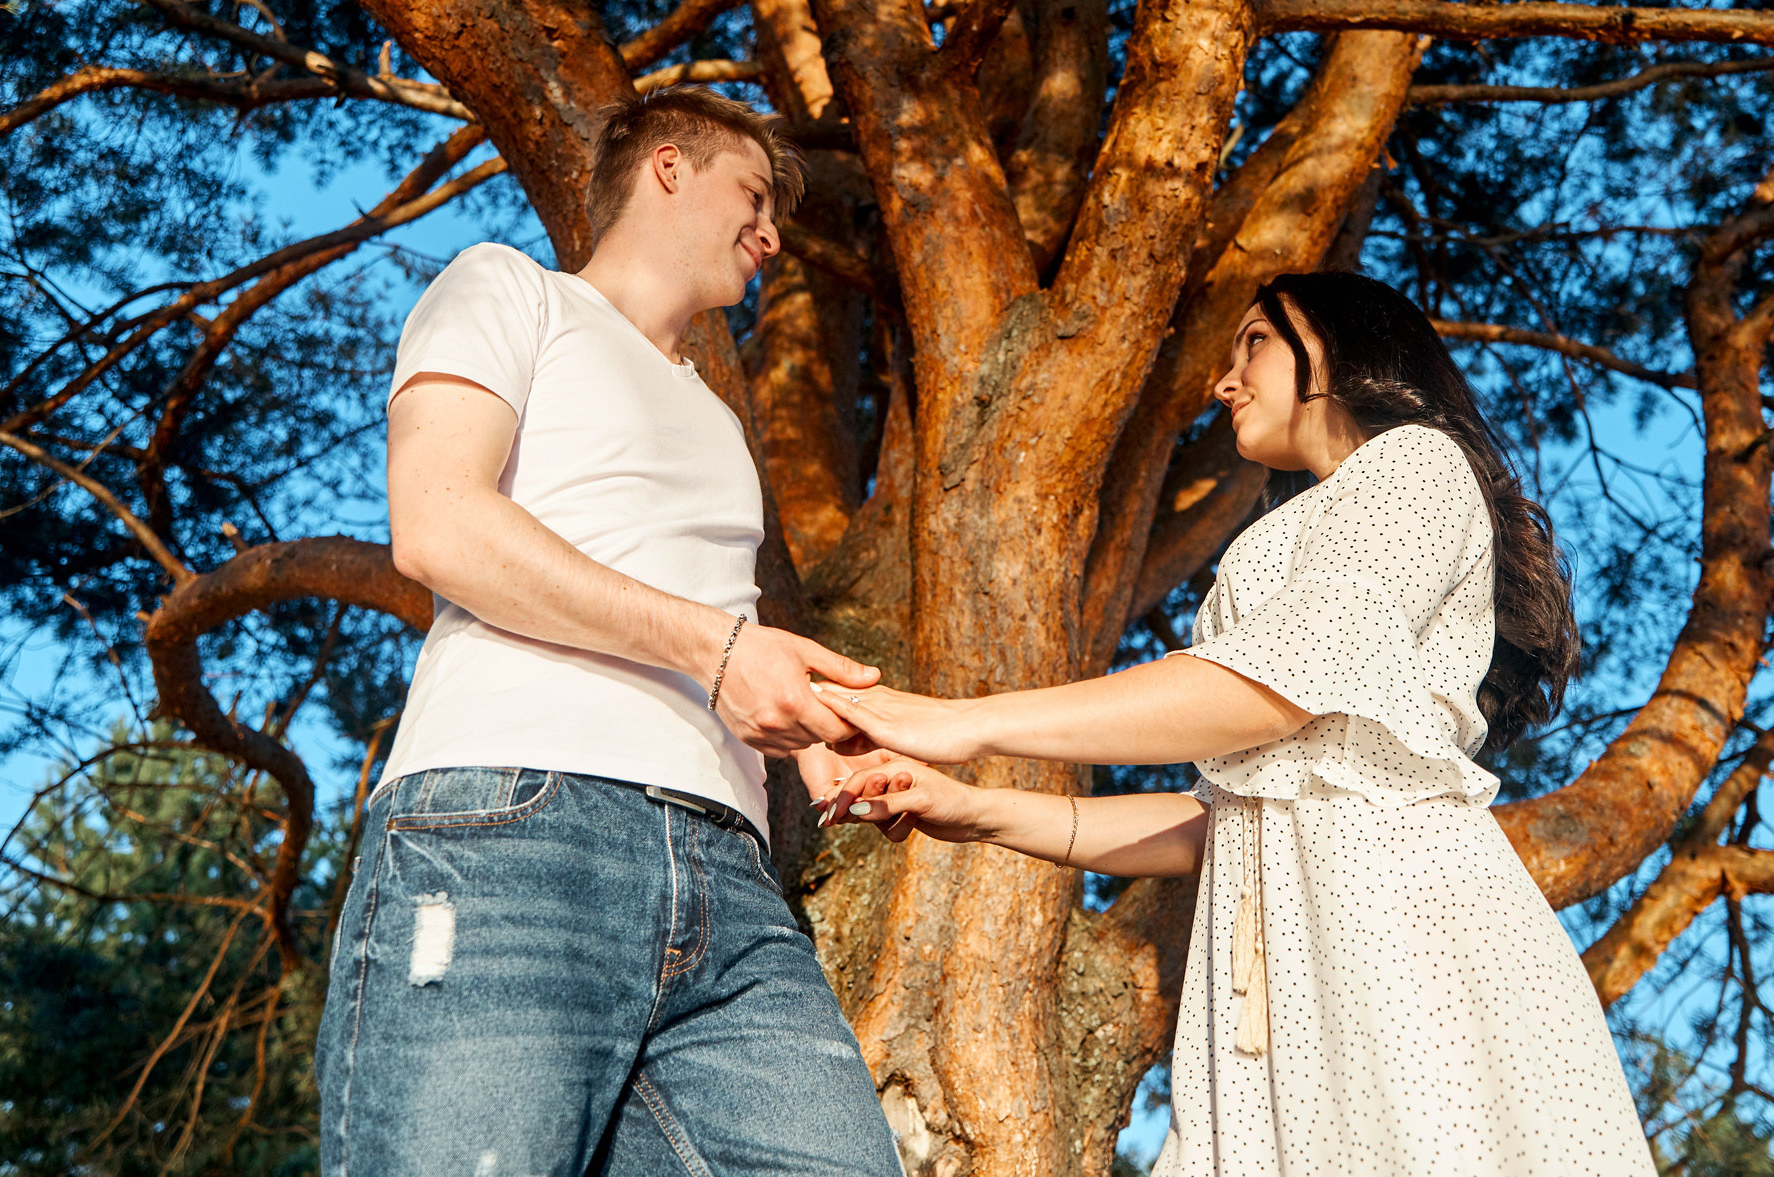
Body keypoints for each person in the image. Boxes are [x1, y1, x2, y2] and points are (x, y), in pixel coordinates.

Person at [813, 272, 1657, 1176]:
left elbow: (1277, 681)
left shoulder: (1415, 461)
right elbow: (1224, 815)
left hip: (1396, 947)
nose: (1224, 381)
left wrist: (962, 723)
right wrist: (972, 806)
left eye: (1255, 340)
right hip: (1272, 983)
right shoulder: (1317, 518)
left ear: (1337, 344)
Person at [317, 86, 902, 1177]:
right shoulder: (509, 288)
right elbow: (437, 521)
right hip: (516, 822)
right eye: (755, 195)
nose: (773, 233)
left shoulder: (718, 418)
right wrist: (717, 651)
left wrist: (809, 742)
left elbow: (717, 617)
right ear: (669, 165)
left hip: (731, 874)